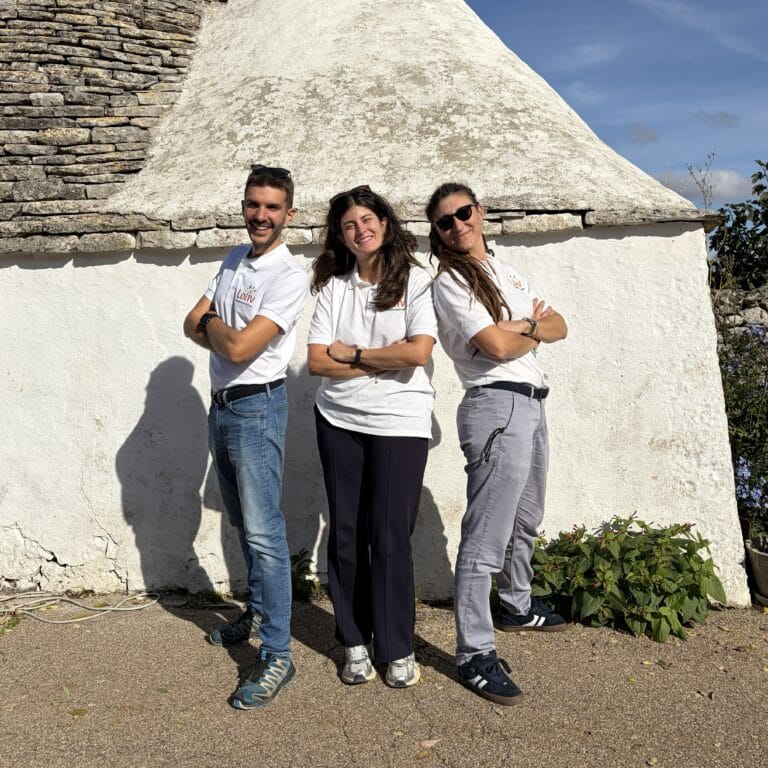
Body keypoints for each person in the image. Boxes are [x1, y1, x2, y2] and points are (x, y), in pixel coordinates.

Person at [426, 182, 568, 706]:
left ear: (480, 212)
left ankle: (516, 604)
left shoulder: (508, 272)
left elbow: (560, 325)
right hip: (495, 404)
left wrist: (523, 325)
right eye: (444, 221)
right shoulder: (451, 282)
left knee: (526, 517)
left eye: (463, 212)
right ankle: (474, 652)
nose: (457, 224)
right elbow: (495, 346)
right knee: (486, 533)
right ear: (437, 232)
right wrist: (532, 328)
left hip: (532, 401)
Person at [183, 164, 309, 709]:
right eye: (253, 204)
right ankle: (256, 613)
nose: (261, 215)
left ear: (289, 214)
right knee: (242, 523)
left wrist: (214, 326)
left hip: (258, 409)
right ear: (243, 206)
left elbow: (236, 348)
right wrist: (220, 329)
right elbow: (189, 322)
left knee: (264, 533)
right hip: (222, 407)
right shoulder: (235, 258)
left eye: (272, 207)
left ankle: (278, 654)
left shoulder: (289, 275)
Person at [307, 185, 437, 688]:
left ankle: (397, 647)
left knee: (389, 537)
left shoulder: (416, 280)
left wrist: (355, 355)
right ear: (340, 237)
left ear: (384, 222)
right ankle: (354, 641)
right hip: (337, 419)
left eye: (367, 220)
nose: (360, 230)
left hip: (400, 423)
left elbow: (417, 353)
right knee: (345, 535)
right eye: (348, 225)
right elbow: (318, 362)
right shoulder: (334, 288)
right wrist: (383, 361)